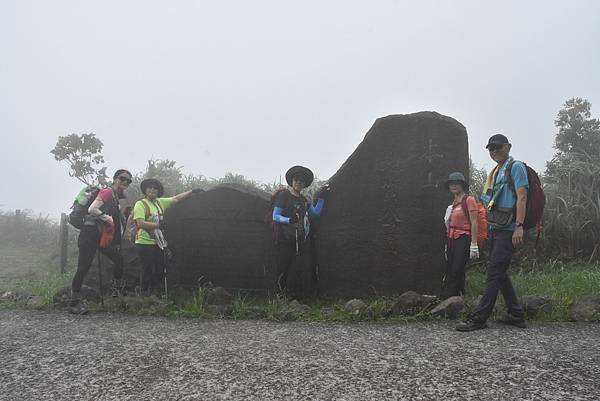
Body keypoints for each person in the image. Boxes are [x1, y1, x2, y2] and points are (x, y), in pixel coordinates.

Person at [456, 134, 527, 331]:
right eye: (491, 149)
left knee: (494, 272)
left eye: (498, 147)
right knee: (500, 272)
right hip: (496, 227)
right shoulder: (497, 171)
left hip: (509, 228)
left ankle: (479, 318)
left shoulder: (516, 166)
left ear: (508, 146)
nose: (494, 151)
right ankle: (516, 314)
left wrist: (519, 226)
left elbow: (522, 197)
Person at [69, 169, 132, 314]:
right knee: (83, 267)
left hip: (100, 236)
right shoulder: (107, 192)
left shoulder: (115, 198)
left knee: (118, 260)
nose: (125, 182)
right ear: (115, 179)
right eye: (122, 179)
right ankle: (74, 303)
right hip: (90, 234)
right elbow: (92, 209)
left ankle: (115, 293)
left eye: (128, 181)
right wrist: (106, 217)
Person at [272, 165, 329, 298]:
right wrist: (289, 220)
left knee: (296, 266)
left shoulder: (304, 200)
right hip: (284, 238)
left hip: (299, 239)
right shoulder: (284, 196)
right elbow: (275, 216)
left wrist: (321, 198)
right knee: (283, 266)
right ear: (292, 181)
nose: (298, 182)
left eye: (301, 180)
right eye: (296, 179)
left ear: (304, 184)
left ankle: (293, 295)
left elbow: (315, 213)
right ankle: (279, 295)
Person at [133, 179, 198, 295]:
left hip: (158, 242)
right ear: (145, 190)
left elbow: (176, 199)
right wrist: (159, 225)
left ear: (158, 191)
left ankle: (153, 293)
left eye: (155, 188)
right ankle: (143, 296)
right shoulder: (140, 204)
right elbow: (140, 223)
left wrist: (191, 191)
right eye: (149, 187)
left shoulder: (160, 202)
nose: (152, 189)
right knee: (146, 270)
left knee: (160, 269)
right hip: (144, 242)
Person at [442, 172, 479, 298]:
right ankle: (460, 297)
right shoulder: (453, 202)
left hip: (464, 238)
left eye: (457, 183)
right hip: (452, 239)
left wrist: (474, 245)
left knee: (457, 268)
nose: (454, 185)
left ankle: (450, 297)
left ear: (462, 185)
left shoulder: (469, 200)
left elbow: (474, 222)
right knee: (452, 267)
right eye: (451, 183)